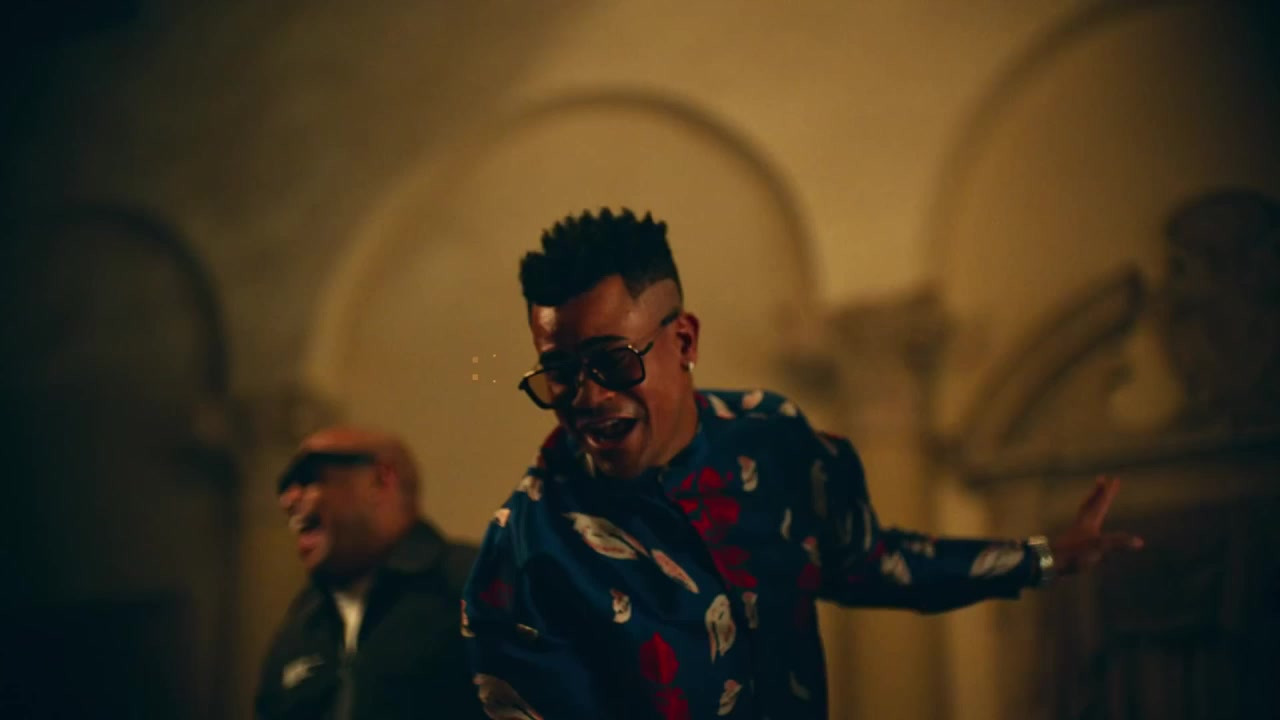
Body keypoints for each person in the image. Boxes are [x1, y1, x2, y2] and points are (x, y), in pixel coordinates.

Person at [461, 208, 1145, 719]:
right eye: (559, 372)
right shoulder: (522, 554)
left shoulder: (773, 439)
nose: (587, 398)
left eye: (612, 361)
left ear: (685, 340)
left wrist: (1042, 557)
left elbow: (871, 560)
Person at [255, 427, 483, 719]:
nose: (288, 500)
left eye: (308, 477)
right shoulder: (300, 624)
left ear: (380, 479)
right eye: (285, 486)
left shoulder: (473, 584)